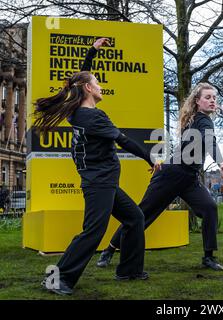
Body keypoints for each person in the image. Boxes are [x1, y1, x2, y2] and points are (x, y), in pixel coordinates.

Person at [36, 38, 159, 295]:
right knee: (93, 231)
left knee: (135, 218)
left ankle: (129, 270)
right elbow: (123, 140)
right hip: (99, 181)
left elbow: (79, 79)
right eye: (97, 83)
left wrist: (92, 52)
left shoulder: (77, 112)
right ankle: (56, 280)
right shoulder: (94, 117)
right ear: (89, 89)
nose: (101, 86)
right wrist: (152, 158)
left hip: (104, 180)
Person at [97, 82, 223, 271]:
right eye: (207, 97)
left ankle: (208, 257)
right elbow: (209, 140)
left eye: (214, 98)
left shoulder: (199, 119)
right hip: (171, 175)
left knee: (209, 207)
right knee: (142, 215)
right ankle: (109, 250)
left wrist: (221, 164)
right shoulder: (201, 120)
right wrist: (222, 164)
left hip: (189, 178)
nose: (212, 101)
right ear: (197, 101)